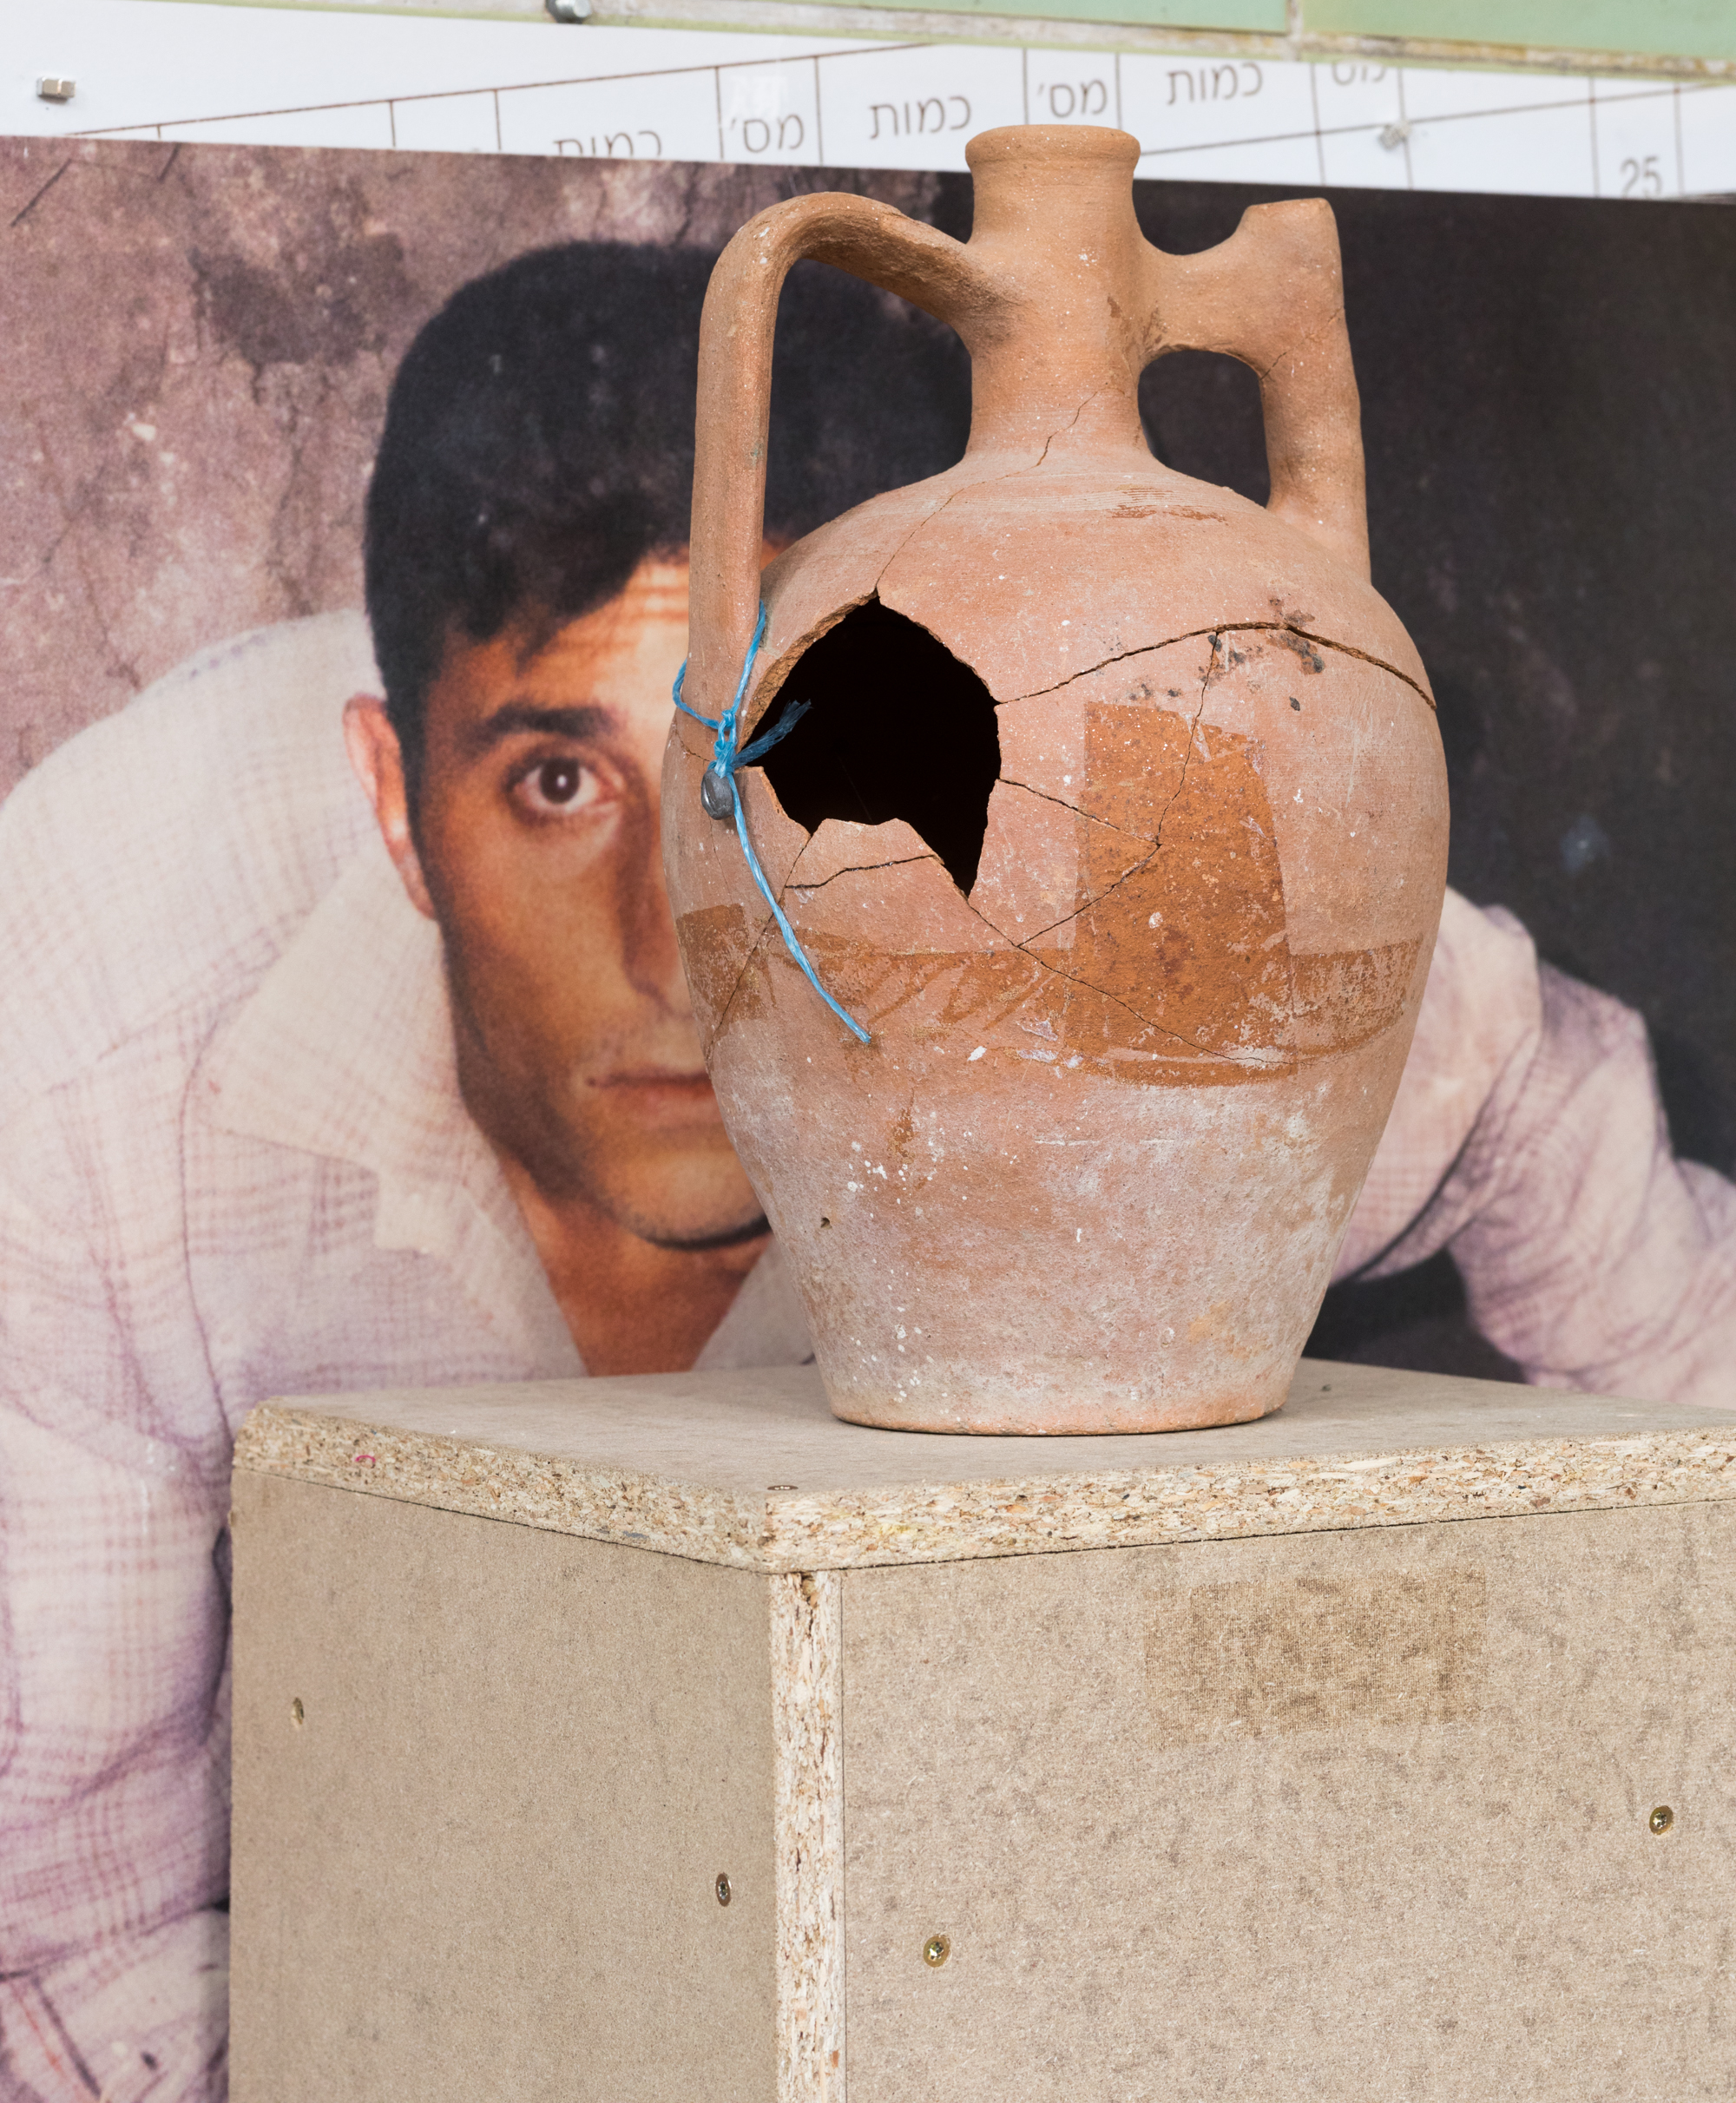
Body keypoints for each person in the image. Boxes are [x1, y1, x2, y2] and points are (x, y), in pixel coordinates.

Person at [3, 237, 1733, 2102]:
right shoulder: (99, 1028)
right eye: (561, 784)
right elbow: (74, 1956)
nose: (672, 950)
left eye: (767, 778)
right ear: (394, 803)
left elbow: (1543, 1113)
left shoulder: (1128, 957)